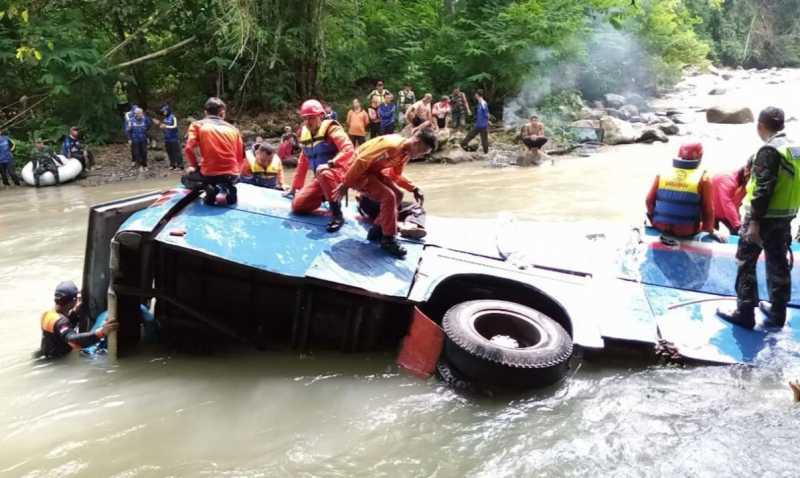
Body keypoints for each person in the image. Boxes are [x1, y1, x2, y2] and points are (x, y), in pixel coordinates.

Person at [718, 107, 799, 329]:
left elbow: (763, 189)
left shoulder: (769, 151)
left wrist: (753, 222)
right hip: (785, 216)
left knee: (745, 261)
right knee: (778, 262)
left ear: (760, 126)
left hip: (763, 218)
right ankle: (777, 313)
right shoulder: (794, 149)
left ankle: (744, 313)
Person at [336, 126, 436, 257]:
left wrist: (413, 188)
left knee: (398, 194)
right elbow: (361, 161)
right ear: (417, 143)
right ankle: (388, 240)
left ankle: (377, 230)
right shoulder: (392, 144)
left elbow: (395, 175)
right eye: (422, 152)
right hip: (355, 171)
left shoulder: (404, 155)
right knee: (388, 196)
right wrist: (345, 184)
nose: (420, 155)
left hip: (372, 173)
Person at [286, 99, 355, 232]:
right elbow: (303, 162)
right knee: (298, 206)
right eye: (305, 118)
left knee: (323, 172)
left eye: (311, 118)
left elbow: (349, 149)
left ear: (321, 116)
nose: (307, 122)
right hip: (321, 177)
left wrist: (330, 164)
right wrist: (294, 187)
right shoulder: (304, 133)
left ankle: (337, 215)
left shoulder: (332, 129)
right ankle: (324, 194)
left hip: (337, 175)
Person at [645, 142, 721, 240]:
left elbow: (648, 201)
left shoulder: (662, 173)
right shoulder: (704, 178)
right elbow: (708, 210)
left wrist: (654, 219)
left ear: (678, 154)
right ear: (701, 156)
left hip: (660, 226)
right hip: (686, 231)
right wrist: (708, 232)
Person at [182, 97, 246, 206]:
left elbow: (188, 148)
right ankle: (228, 186)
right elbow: (241, 155)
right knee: (225, 177)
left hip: (209, 173)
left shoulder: (197, 125)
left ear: (205, 112)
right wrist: (237, 171)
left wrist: (193, 165)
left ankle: (208, 187)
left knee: (186, 179)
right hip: (233, 175)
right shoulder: (234, 129)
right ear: (222, 113)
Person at [40, 281, 117, 359]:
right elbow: (73, 340)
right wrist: (101, 332)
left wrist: (74, 314)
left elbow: (60, 331)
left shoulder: (47, 314)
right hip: (60, 361)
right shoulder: (61, 322)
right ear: (73, 301)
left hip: (48, 355)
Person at [357, 194, 427, 241]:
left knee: (394, 206)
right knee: (416, 206)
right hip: (381, 202)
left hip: (368, 204)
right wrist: (412, 188)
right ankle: (409, 225)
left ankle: (400, 225)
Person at [711, 163, 751, 235]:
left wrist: (738, 220)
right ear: (746, 171)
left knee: (737, 234)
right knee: (710, 236)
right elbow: (727, 203)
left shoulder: (745, 184)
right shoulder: (727, 179)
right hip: (711, 212)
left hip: (725, 212)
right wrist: (737, 224)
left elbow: (736, 203)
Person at [154, 105, 183, 170]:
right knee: (170, 152)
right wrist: (159, 124)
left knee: (177, 152)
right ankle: (173, 165)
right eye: (163, 111)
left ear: (168, 110)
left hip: (174, 138)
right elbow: (164, 127)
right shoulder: (165, 119)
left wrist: (166, 126)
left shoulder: (173, 117)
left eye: (165, 111)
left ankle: (180, 165)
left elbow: (175, 126)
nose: (164, 112)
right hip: (167, 138)